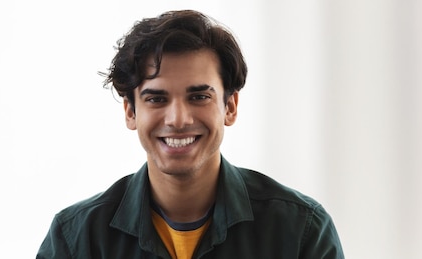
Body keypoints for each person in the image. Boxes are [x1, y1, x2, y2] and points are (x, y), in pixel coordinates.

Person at [36, 9, 344, 259]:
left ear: (230, 107)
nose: (178, 119)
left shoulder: (300, 231)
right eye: (157, 99)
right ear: (130, 111)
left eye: (199, 97)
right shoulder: (77, 241)